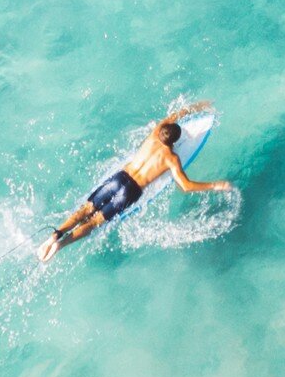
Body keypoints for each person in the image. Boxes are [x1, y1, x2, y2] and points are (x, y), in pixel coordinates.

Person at [38, 104, 233, 261]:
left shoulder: (154, 134)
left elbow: (175, 115)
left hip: (119, 178)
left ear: (162, 133)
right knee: (95, 222)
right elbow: (186, 186)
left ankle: (56, 234)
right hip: (131, 191)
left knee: (86, 209)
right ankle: (60, 245)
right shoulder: (171, 159)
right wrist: (216, 185)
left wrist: (199, 107)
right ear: (174, 142)